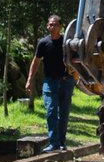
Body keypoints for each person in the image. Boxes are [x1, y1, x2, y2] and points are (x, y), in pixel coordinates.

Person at [26, 15, 74, 152]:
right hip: (50, 82)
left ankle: (61, 142)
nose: (52, 27)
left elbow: (76, 59)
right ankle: (54, 143)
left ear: (61, 26)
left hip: (66, 81)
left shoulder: (67, 42)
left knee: (63, 114)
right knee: (51, 111)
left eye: (55, 25)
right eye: (50, 25)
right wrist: (29, 80)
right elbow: (36, 62)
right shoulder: (43, 43)